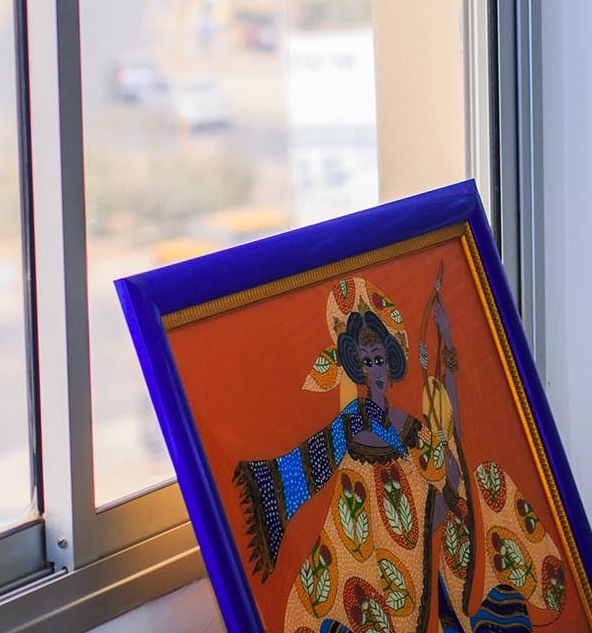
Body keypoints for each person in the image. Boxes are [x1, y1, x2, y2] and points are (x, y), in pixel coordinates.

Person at [231, 269, 568, 631]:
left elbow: (447, 456)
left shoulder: (405, 423)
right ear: (357, 366)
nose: (374, 370)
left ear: (389, 362)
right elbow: (312, 463)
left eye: (379, 359)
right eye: (366, 361)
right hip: (367, 550)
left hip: (416, 544)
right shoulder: (353, 420)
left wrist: (447, 343)